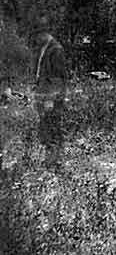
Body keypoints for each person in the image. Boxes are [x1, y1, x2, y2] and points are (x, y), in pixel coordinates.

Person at [31, 18, 68, 171]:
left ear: (44, 34)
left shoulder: (56, 50)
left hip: (52, 99)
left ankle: (55, 163)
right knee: (45, 129)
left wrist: (51, 100)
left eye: (37, 35)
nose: (36, 39)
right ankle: (50, 161)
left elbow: (58, 78)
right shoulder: (45, 48)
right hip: (44, 96)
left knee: (53, 129)